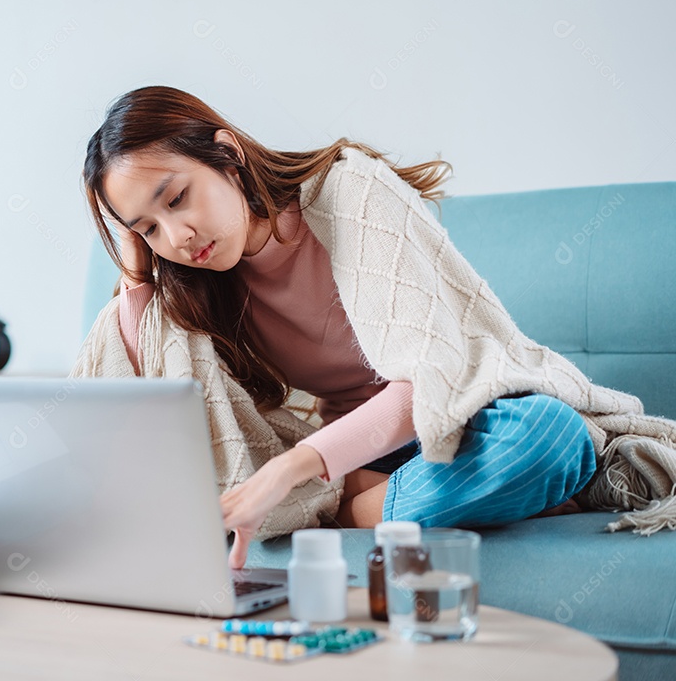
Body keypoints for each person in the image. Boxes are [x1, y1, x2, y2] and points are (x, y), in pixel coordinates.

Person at [80, 85, 596, 568]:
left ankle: (341, 516)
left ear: (228, 155)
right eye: (150, 228)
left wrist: (289, 473)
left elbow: (428, 382)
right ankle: (468, 498)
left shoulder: (348, 190)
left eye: (175, 199)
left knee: (551, 436)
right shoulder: (198, 283)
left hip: (455, 417)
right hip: (356, 453)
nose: (179, 236)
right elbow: (138, 376)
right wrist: (135, 259)